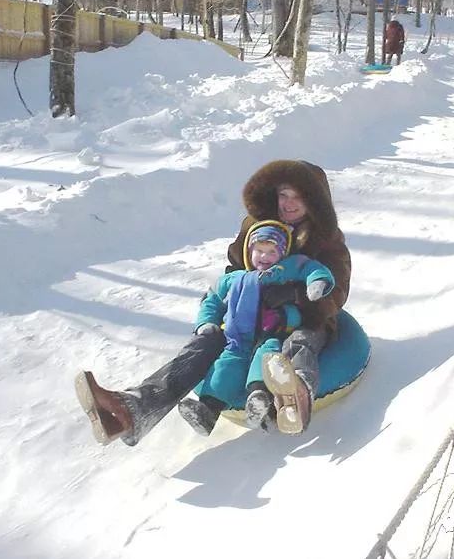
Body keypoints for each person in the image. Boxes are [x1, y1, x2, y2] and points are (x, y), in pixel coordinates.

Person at [74, 159, 351, 445]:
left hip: (302, 319)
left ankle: (296, 396)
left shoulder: (327, 240)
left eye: (300, 196)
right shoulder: (256, 226)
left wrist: (294, 297)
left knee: (300, 341)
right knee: (203, 344)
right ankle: (132, 410)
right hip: (248, 317)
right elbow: (233, 270)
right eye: (284, 194)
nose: (289, 203)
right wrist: (223, 306)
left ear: (315, 201)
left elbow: (337, 293)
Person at [176, 220, 335, 436]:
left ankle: (258, 397)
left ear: (282, 253)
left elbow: (310, 268)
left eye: (271, 251)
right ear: (249, 251)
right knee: (226, 365)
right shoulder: (234, 278)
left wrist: (317, 283)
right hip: (237, 337)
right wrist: (206, 322)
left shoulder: (285, 269)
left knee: (266, 358)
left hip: (271, 332)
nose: (264, 257)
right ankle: (208, 410)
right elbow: (212, 299)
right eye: (259, 250)